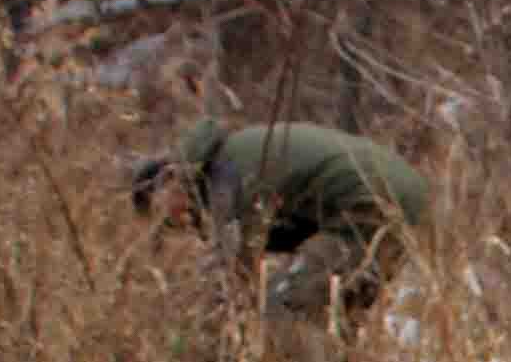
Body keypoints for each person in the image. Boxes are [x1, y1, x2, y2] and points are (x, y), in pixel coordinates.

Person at [130, 115, 436, 325]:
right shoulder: (239, 152)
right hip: (402, 197)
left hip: (370, 205)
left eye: (166, 213)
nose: (176, 221)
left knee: (284, 306)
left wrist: (192, 339)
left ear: (171, 179)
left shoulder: (227, 177)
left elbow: (232, 278)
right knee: (334, 313)